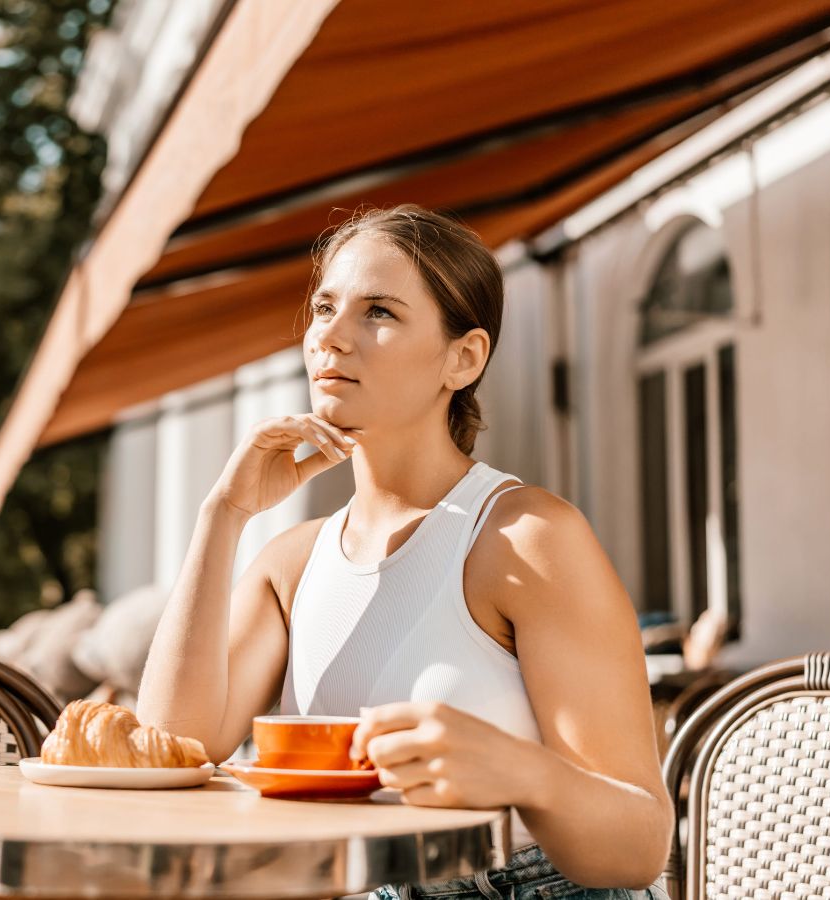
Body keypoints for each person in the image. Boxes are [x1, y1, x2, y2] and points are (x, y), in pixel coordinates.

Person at [135, 205, 673, 898]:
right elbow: (166, 752)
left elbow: (637, 846)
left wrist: (519, 771)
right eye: (324, 307)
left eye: (379, 312)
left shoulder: (523, 538)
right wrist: (223, 515)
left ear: (463, 358)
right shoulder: (291, 565)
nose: (331, 336)